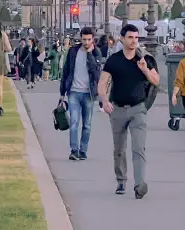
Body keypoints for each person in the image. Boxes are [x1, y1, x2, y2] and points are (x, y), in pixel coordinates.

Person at [98, 23, 159, 198]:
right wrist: (104, 100)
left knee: (139, 148)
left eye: (136, 38)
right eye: (130, 37)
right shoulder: (114, 60)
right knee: (119, 148)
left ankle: (139, 185)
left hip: (138, 109)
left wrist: (145, 70)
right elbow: (103, 82)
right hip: (117, 109)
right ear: (122, 39)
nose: (134, 41)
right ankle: (121, 180)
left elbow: (156, 81)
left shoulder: (143, 59)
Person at [60, 27, 102, 161]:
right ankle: (74, 150)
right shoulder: (73, 51)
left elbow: (97, 74)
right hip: (73, 92)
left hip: (88, 93)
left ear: (93, 40)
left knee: (87, 125)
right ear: (80, 38)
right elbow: (66, 72)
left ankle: (83, 150)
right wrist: (62, 92)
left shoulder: (96, 52)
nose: (86, 42)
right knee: (74, 122)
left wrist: (90, 55)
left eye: (89, 39)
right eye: (84, 39)